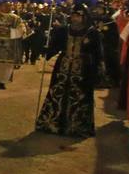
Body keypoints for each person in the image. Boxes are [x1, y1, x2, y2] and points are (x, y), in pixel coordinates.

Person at [36, 7, 103, 138]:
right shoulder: (63, 30)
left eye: (78, 16)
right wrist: (47, 50)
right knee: (57, 93)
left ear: (84, 18)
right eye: (73, 15)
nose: (75, 18)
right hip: (63, 68)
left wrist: (98, 66)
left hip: (83, 69)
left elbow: (98, 52)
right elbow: (56, 45)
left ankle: (77, 127)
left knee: (80, 96)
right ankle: (52, 123)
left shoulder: (92, 33)